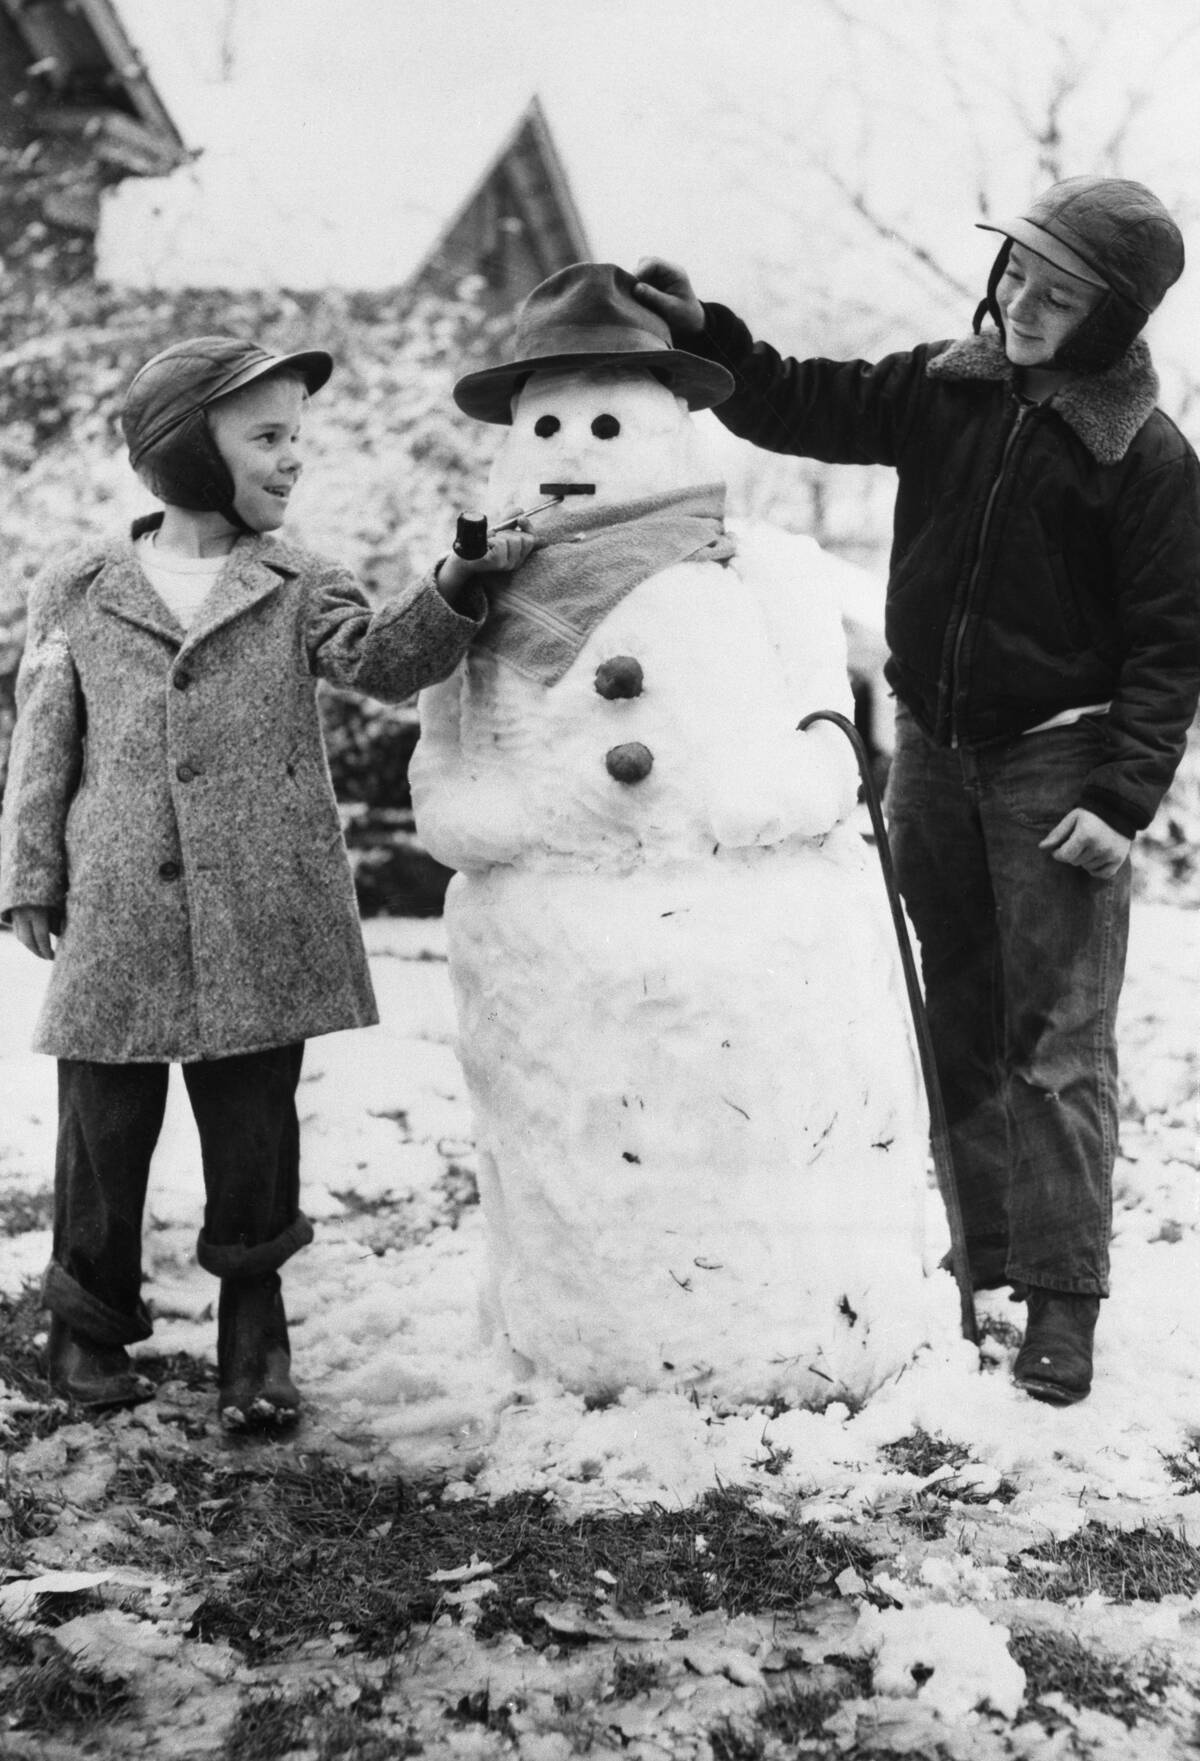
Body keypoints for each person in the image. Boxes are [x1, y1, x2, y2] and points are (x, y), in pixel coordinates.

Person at [633, 176, 1200, 1405]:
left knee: (1057, 1042)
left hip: (1061, 767)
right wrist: (704, 336)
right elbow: (797, 396)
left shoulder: (1144, 458)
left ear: (1114, 317)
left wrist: (1120, 797)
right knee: (957, 1016)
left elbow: (1172, 646)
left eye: (1060, 293)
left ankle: (1062, 1306)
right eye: (1016, 274)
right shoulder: (946, 390)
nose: (1023, 303)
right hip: (938, 757)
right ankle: (979, 1261)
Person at [0, 335, 532, 1429]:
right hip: (121, 901)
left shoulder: (300, 581)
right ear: (187, 449)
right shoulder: (82, 586)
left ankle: (257, 1330)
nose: (295, 460)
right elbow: (43, 739)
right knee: (102, 1125)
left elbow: (380, 663)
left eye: (300, 437)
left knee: (254, 1124)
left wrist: (453, 588)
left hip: (260, 898)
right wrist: (31, 873)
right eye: (269, 437)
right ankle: (85, 1325)